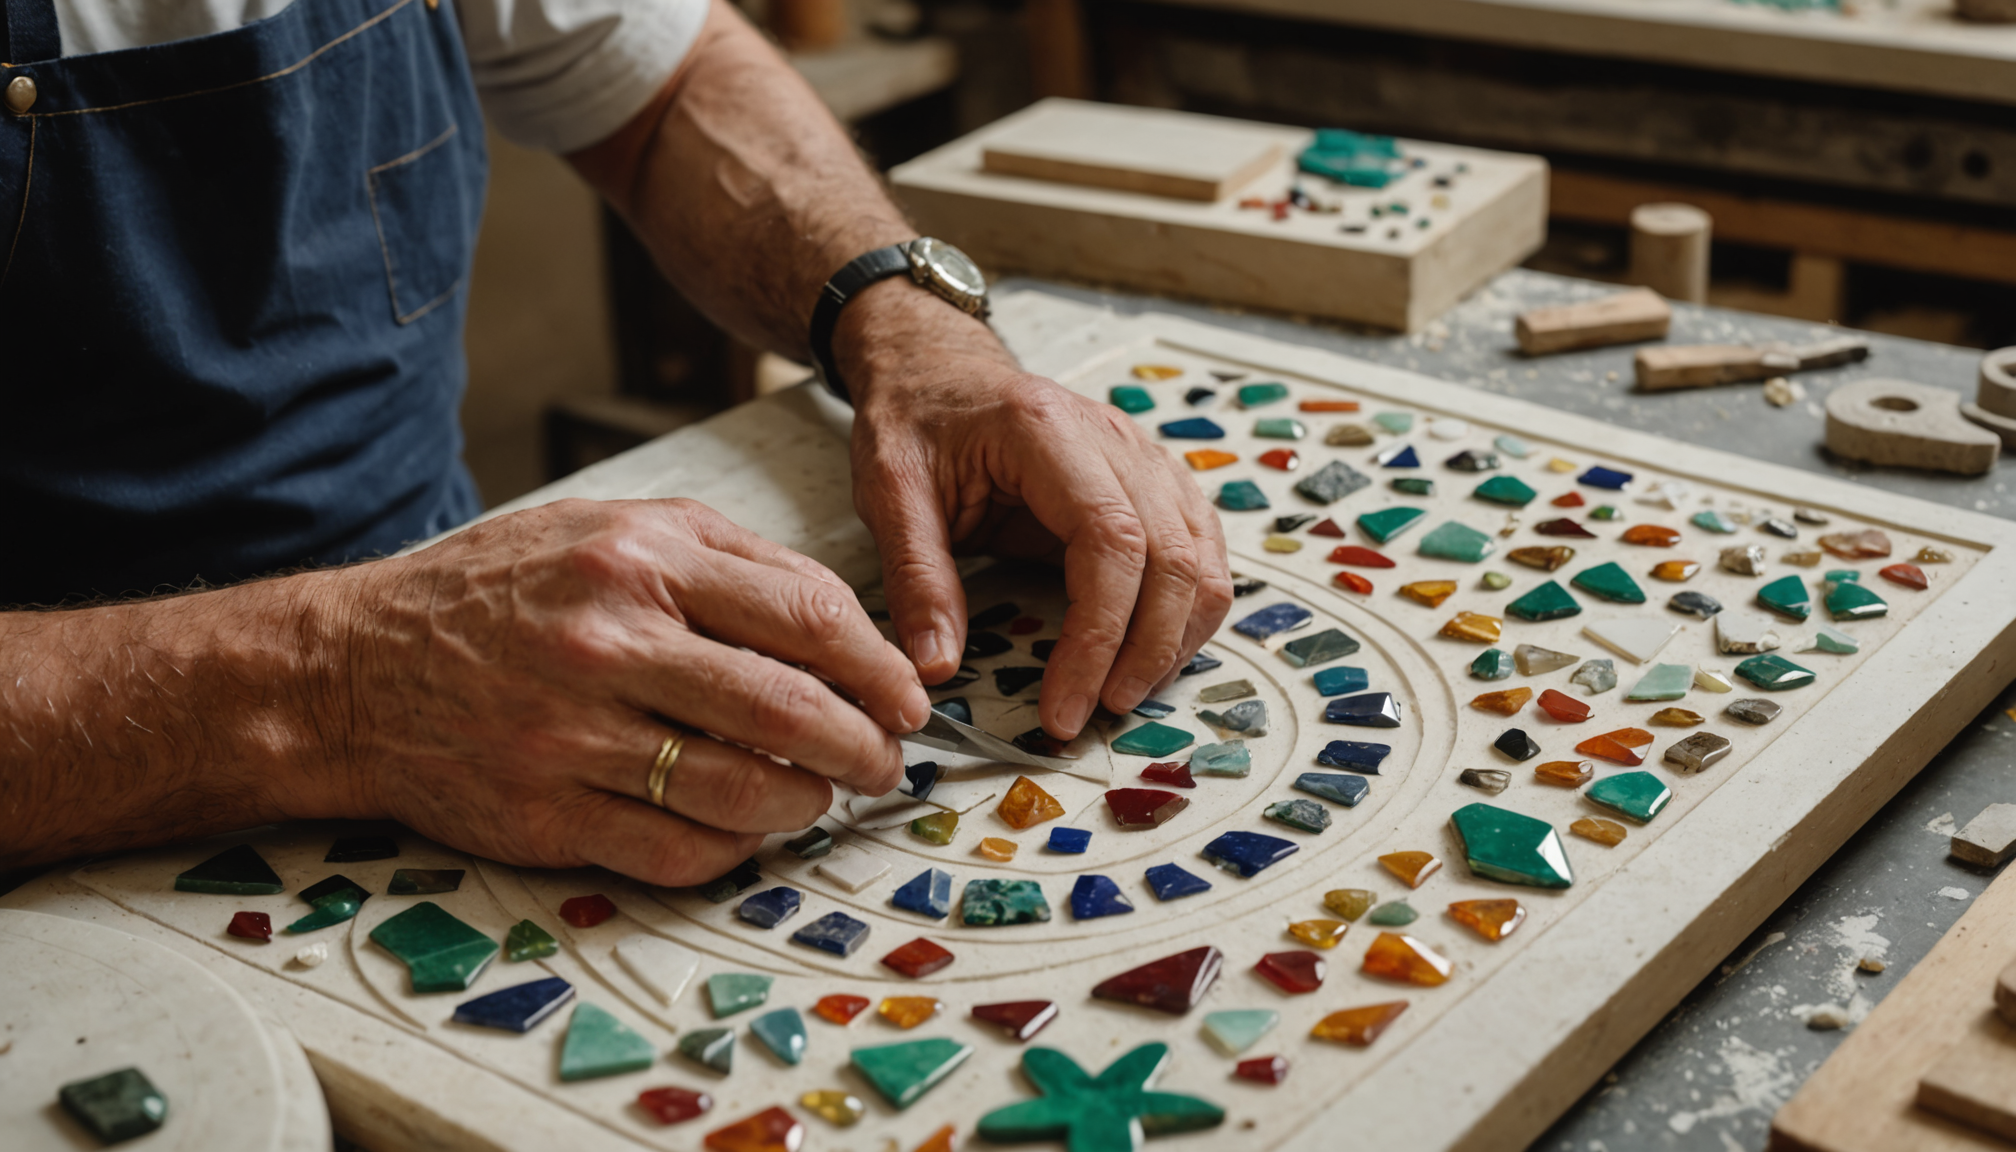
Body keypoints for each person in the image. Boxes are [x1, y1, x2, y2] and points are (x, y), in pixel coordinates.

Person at [0, 0, 1232, 880]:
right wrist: (343, 680)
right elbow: (364, 668)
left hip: (467, 640)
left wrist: (913, 335)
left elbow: (665, 83)